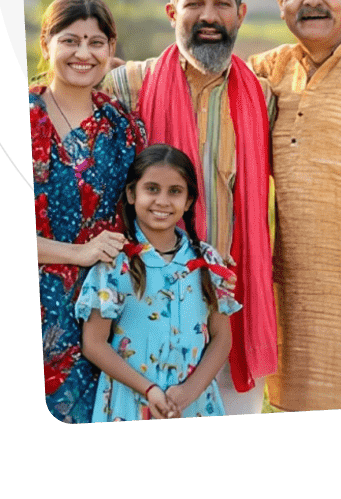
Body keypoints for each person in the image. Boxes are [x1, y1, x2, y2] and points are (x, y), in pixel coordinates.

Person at [104, 0, 276, 415]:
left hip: (229, 309)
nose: (208, 17)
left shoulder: (263, 97)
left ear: (240, 14)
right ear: (172, 12)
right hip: (145, 312)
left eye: (222, 4)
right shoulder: (126, 85)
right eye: (194, 3)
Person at [249, 0, 341, 411]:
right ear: (281, 2)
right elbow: (194, 80)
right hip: (296, 306)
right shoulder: (268, 72)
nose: (314, 1)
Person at [32, 0, 146, 423]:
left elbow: (142, 217)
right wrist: (75, 253)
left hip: (106, 315)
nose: (84, 53)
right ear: (47, 44)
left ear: (111, 49)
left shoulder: (123, 126)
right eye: (70, 40)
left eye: (96, 42)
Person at [78, 145, 240, 421]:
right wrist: (149, 389)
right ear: (132, 193)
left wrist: (190, 391)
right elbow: (93, 344)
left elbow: (222, 338)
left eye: (175, 191)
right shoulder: (114, 261)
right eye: (152, 189)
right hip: (131, 402)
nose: (163, 201)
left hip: (194, 403)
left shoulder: (207, 260)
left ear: (189, 201)